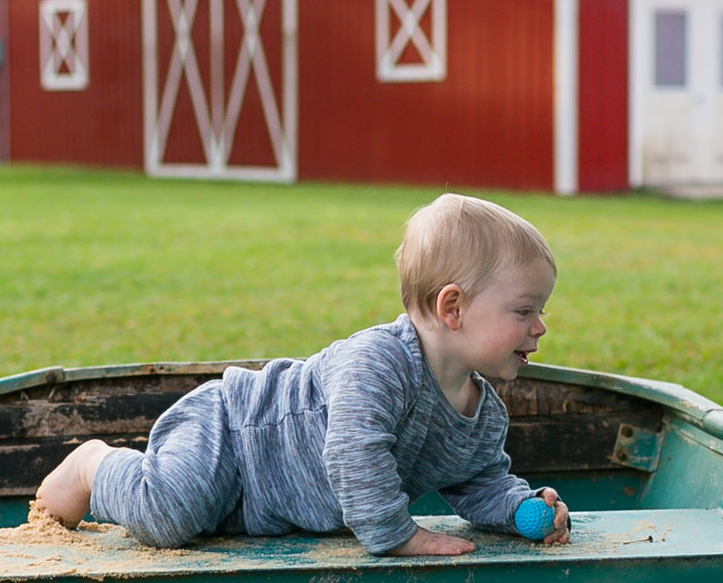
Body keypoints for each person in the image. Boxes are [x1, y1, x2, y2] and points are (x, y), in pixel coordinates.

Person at [34, 193, 569, 555]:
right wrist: (397, 535)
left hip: (272, 505)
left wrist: (520, 509)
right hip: (234, 439)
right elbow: (352, 452)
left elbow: (478, 482)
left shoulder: (482, 413)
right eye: (524, 311)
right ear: (452, 308)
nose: (540, 327)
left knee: (201, 530)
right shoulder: (380, 362)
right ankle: (90, 466)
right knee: (169, 515)